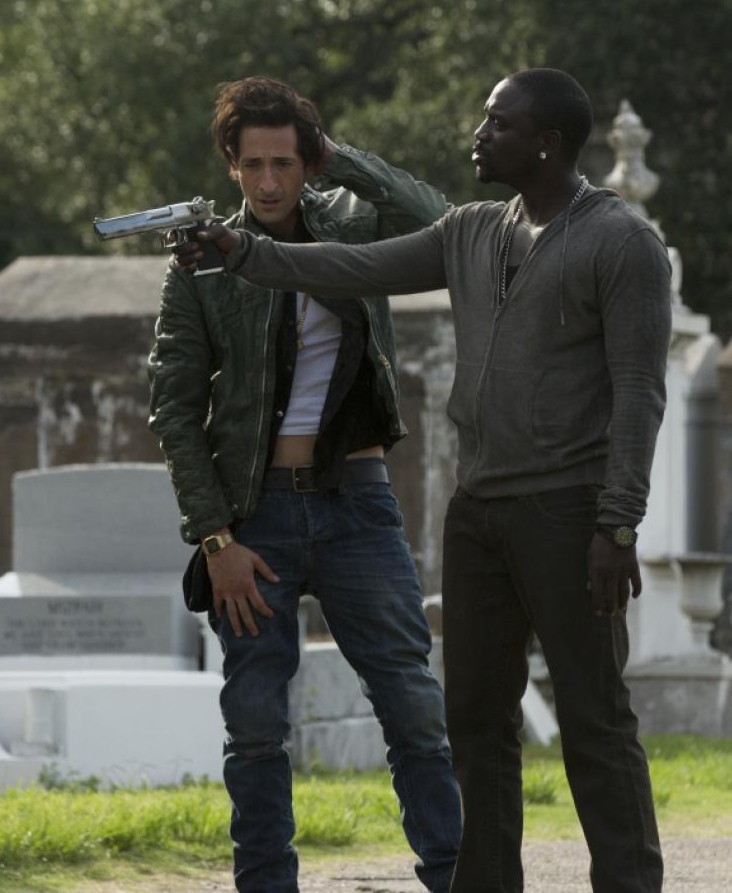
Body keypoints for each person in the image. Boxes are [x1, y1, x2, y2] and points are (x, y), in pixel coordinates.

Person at [179, 67, 672, 893]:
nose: (478, 135)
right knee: (474, 725)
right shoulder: (473, 230)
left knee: (595, 723)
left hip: (570, 511)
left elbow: (641, 393)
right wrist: (243, 253)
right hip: (477, 515)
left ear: (545, 143)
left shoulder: (622, 242)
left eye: (498, 123)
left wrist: (618, 523)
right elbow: (352, 265)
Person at [148, 77, 461, 893]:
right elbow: (174, 408)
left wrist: (340, 159)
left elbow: (439, 221)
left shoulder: (352, 227)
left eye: (285, 162)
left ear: (307, 160)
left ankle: (457, 877)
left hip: (358, 504)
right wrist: (215, 540)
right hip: (254, 518)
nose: (268, 182)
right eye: (252, 164)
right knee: (254, 724)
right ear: (231, 165)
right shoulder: (202, 263)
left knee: (414, 707)